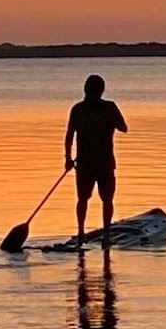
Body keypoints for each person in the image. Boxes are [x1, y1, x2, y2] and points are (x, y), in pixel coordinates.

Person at [64, 74, 128, 247]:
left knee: (82, 199)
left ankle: (81, 233)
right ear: (102, 90)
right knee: (107, 199)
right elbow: (124, 128)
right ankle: (106, 235)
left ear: (85, 89)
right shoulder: (109, 107)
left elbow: (69, 136)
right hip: (104, 162)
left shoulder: (78, 109)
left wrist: (68, 158)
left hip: (85, 163)